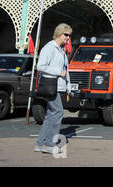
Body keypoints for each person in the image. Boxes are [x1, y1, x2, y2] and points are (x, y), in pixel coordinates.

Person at [34, 23, 73, 154]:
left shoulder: (60, 50)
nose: (68, 38)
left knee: (51, 115)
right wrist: (58, 71)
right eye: (66, 35)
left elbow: (66, 71)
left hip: (57, 87)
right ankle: (49, 144)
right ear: (59, 33)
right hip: (51, 86)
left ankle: (40, 143)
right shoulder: (49, 48)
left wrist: (68, 87)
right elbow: (40, 66)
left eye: (69, 35)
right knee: (58, 112)